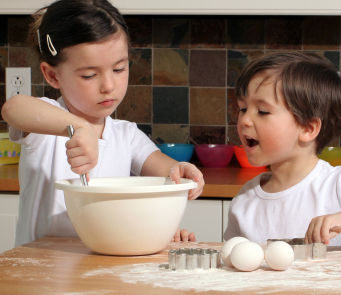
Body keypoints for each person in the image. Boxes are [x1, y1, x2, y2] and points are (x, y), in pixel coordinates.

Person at [1, 0, 203, 246]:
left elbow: (168, 172)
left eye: (119, 69)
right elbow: (13, 107)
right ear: (53, 75)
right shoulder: (46, 124)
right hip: (39, 276)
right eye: (90, 75)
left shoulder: (126, 135)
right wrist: (78, 127)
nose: (109, 86)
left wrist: (183, 172)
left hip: (99, 271)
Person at [224, 52, 341, 246]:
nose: (244, 120)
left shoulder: (337, 184)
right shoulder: (245, 199)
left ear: (307, 128)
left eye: (262, 111)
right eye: (243, 108)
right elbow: (231, 257)